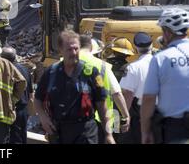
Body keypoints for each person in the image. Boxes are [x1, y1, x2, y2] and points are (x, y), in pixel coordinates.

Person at [35, 30, 114, 144]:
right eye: (69, 49)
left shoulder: (92, 72)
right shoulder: (51, 73)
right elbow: (38, 99)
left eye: (76, 48)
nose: (73, 52)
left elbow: (102, 105)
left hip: (85, 132)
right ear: (61, 50)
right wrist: (43, 118)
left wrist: (108, 134)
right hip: (59, 132)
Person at [141, 8, 189, 144]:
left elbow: (149, 98)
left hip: (175, 131)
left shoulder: (161, 58)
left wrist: (145, 131)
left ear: (168, 32)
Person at [79, 35, 130, 141]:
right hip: (107, 113)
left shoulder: (64, 62)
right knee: (114, 136)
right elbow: (117, 93)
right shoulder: (106, 66)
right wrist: (126, 115)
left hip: (74, 117)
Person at [119, 32, 154, 144]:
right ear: (152, 45)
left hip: (141, 114)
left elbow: (127, 95)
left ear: (135, 47)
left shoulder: (133, 68)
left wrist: (125, 116)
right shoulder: (162, 64)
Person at [1, 47, 33, 144]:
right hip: (23, 110)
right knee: (22, 136)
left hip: (11, 109)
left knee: (11, 138)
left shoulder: (5, 71)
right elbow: (31, 93)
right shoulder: (25, 69)